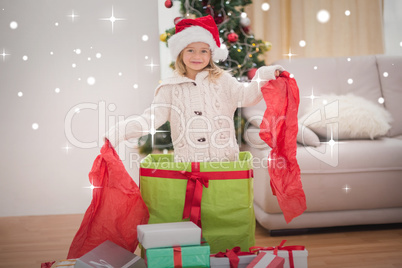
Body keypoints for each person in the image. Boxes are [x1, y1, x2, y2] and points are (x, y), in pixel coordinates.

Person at [105, 15, 283, 162]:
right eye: (190, 50)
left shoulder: (223, 81)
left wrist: (265, 74)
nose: (197, 56)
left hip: (225, 165)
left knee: (224, 204)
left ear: (211, 54)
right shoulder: (169, 88)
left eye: (203, 51)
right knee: (195, 206)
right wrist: (118, 132)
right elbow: (150, 119)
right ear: (180, 53)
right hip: (189, 166)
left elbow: (248, 96)